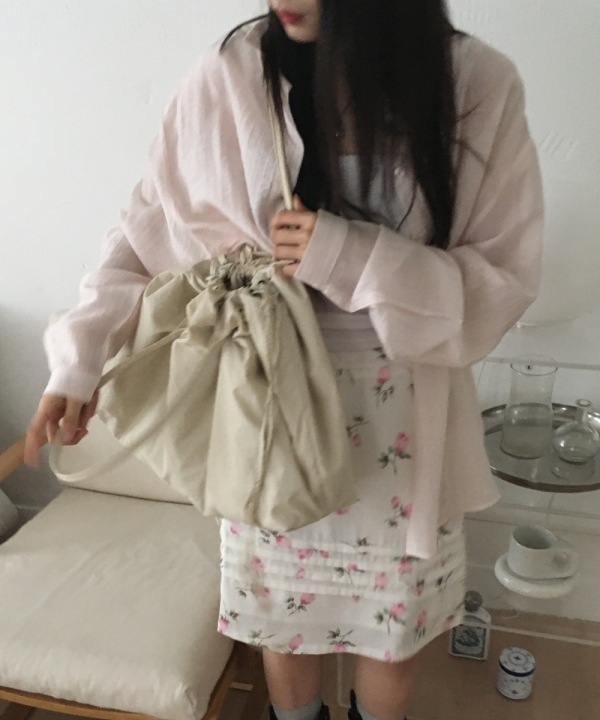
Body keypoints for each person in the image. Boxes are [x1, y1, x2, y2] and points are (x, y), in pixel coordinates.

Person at [26, 2, 544, 719]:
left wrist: (349, 257)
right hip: (262, 405)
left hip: (403, 426)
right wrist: (79, 360)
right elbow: (147, 230)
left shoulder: (474, 83)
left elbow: (504, 278)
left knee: (392, 642)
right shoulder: (230, 76)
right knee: (285, 628)